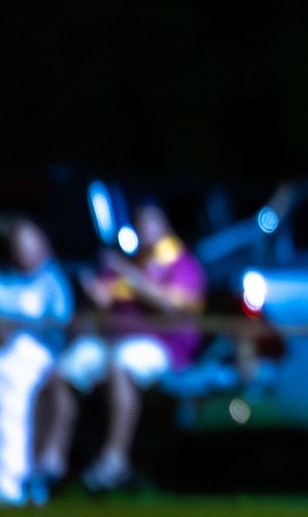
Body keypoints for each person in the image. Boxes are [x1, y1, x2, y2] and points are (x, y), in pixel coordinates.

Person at [54, 201, 205, 492]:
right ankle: (52, 457)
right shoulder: (130, 262)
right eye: (141, 223)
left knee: (122, 363)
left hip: (163, 348)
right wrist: (96, 294)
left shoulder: (181, 263)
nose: (145, 230)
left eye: (152, 223)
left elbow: (172, 307)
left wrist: (134, 280)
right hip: (110, 340)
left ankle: (115, 458)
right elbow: (99, 298)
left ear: (165, 227)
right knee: (63, 370)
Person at [0, 219, 73, 506]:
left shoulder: (52, 281)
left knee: (10, 407)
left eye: (30, 243)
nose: (24, 250)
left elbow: (59, 327)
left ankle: (11, 483)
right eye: (19, 244)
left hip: (32, 359)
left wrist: (16, 330)